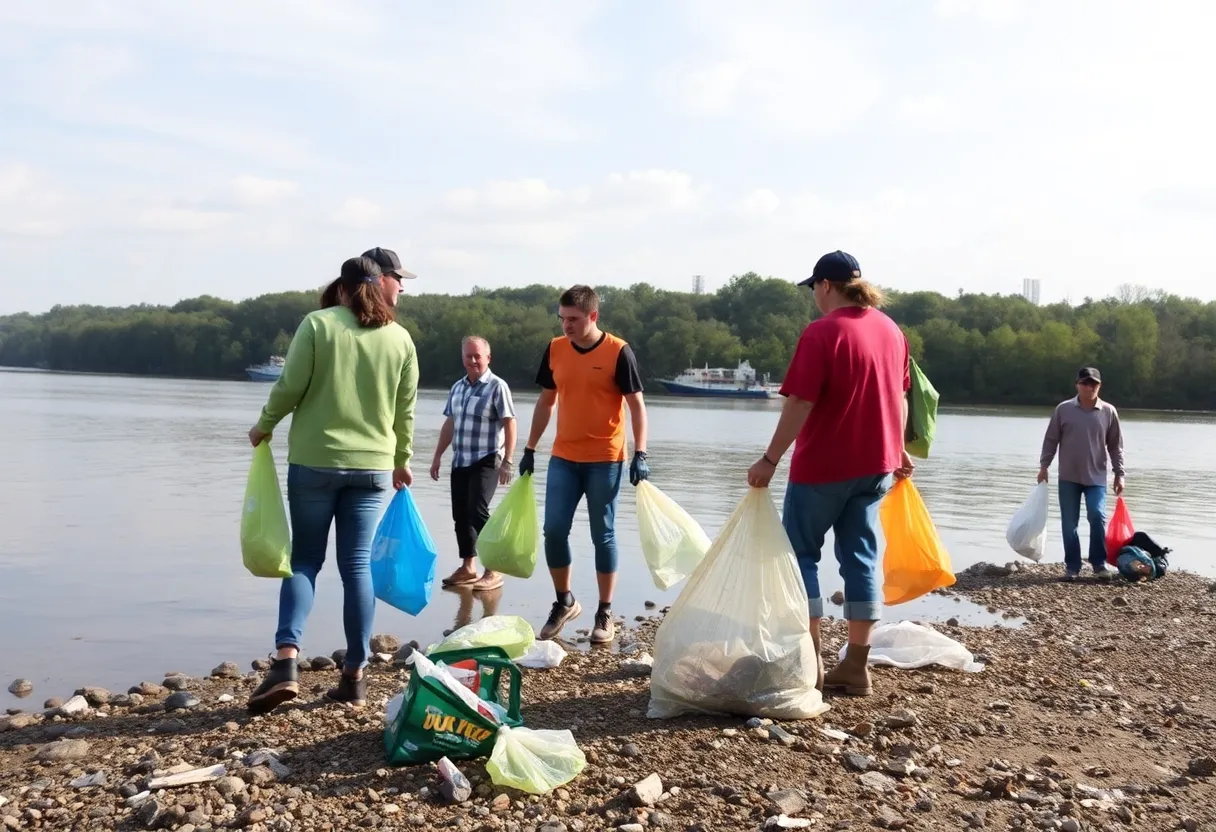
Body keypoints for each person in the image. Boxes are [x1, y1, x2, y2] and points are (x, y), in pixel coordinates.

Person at [245, 255, 419, 715]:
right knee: (356, 566)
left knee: (303, 560)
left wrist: (264, 425)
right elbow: (406, 411)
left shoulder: (317, 326)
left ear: (341, 288)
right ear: (380, 286)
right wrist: (402, 460)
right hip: (374, 469)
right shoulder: (400, 339)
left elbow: (289, 386)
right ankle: (355, 677)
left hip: (315, 462)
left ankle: (286, 663)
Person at [747, 251, 914, 698]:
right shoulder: (891, 330)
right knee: (860, 557)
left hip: (823, 466)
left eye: (814, 289)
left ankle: (812, 662)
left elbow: (799, 403)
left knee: (800, 554)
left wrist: (769, 459)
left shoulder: (822, 333)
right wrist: (897, 449)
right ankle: (856, 666)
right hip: (876, 465)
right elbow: (899, 398)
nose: (814, 297)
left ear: (824, 286)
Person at [519, 285, 649, 644]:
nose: (566, 326)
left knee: (602, 535)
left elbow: (636, 405)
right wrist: (529, 447)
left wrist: (641, 453)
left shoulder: (618, 351)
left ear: (593, 316)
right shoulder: (555, 349)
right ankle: (565, 601)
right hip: (563, 456)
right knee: (554, 530)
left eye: (573, 320)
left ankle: (604, 612)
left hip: (605, 458)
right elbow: (547, 402)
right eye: (562, 319)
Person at [430, 335, 518, 592]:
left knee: (477, 510)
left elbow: (510, 423)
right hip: (461, 459)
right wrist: (437, 456)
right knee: (461, 515)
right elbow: (450, 424)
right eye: (468, 356)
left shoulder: (497, 386)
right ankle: (469, 567)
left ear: (488, 358)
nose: (472, 360)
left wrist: (508, 461)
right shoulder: (457, 388)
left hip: (487, 458)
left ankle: (493, 569)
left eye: (477, 356)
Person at [1038, 367, 1125, 582]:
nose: (1089, 387)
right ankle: (1073, 567)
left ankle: (1098, 564)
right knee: (1069, 524)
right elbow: (1051, 440)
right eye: (1085, 383)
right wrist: (1044, 466)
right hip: (1068, 477)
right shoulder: (1063, 409)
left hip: (1096, 477)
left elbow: (1115, 446)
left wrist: (1119, 473)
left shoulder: (1108, 411)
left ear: (1099, 386)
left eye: (1093, 384)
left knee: (1097, 516)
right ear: (1077, 384)